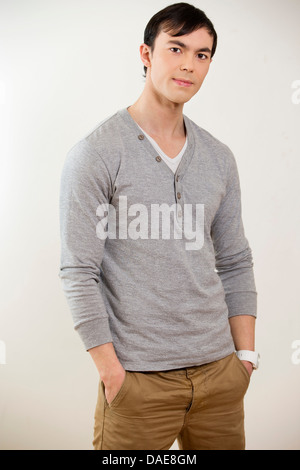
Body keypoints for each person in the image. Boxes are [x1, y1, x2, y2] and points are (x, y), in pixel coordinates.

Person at [59, 2, 259, 450]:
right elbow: (78, 272)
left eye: (202, 54)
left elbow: (235, 260)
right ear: (146, 54)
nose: (189, 64)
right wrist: (112, 372)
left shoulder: (218, 157)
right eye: (176, 48)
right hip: (138, 383)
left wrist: (244, 356)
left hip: (221, 375)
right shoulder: (95, 153)